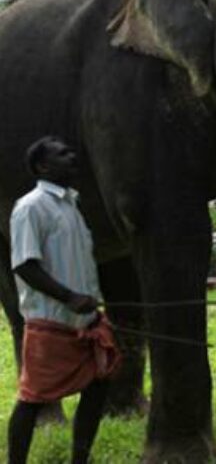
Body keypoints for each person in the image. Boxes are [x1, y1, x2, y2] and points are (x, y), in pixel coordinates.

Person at [6, 136, 120, 464]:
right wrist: (69, 297)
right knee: (32, 398)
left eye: (70, 152)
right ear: (42, 166)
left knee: (99, 386)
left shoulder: (72, 205)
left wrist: (88, 304)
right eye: (62, 154)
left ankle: (80, 459)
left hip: (84, 322)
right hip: (51, 321)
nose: (72, 157)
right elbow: (25, 265)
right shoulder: (30, 207)